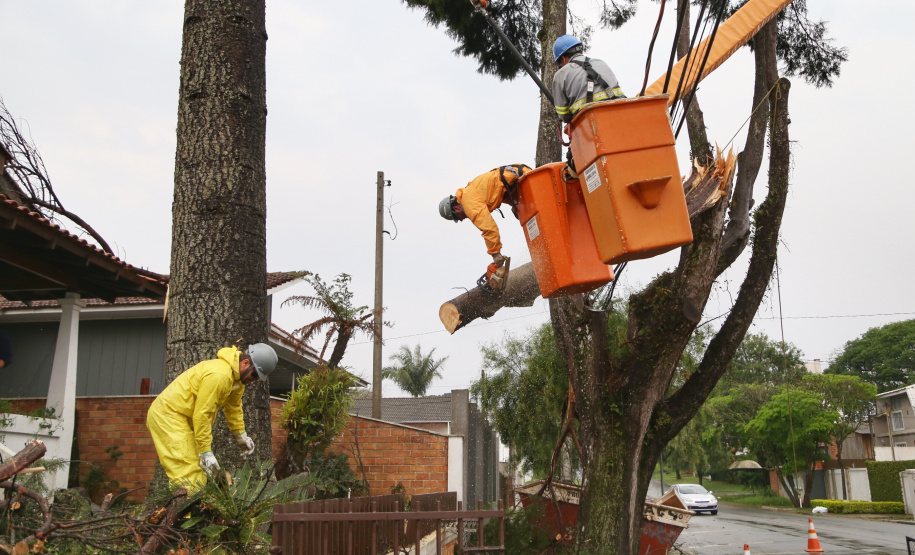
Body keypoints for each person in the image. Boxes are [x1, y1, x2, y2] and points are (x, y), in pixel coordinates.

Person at [146, 343, 278, 491]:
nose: (253, 380)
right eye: (254, 375)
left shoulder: (236, 381)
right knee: (187, 473)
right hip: (168, 416)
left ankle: (194, 510)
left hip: (181, 418)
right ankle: (185, 512)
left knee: (198, 470)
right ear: (245, 363)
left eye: (257, 378)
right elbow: (203, 414)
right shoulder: (220, 376)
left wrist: (241, 435)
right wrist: (205, 452)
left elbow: (233, 408)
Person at [438, 164, 532, 277]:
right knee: (523, 212)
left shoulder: (469, 204)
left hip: (522, 178)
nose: (461, 220)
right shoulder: (470, 194)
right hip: (518, 179)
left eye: (457, 217)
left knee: (532, 214)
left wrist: (495, 254)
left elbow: (489, 228)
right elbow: (499, 189)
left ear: (456, 208)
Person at [551, 34, 626, 124]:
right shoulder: (600, 62)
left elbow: (564, 115)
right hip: (621, 112)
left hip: (590, 121)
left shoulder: (561, 74)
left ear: (563, 59)